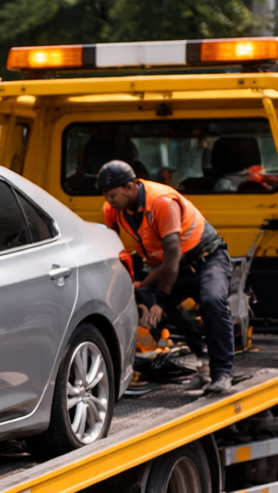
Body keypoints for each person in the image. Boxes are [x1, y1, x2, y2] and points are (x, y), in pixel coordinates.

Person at [97, 159, 235, 394]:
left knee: (212, 301)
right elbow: (113, 247)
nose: (109, 201)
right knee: (138, 293)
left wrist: (160, 301)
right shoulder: (113, 210)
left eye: (113, 195)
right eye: (106, 196)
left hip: (207, 259)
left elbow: (173, 252)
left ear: (130, 186)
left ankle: (221, 373)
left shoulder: (161, 202)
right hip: (171, 267)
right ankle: (202, 353)